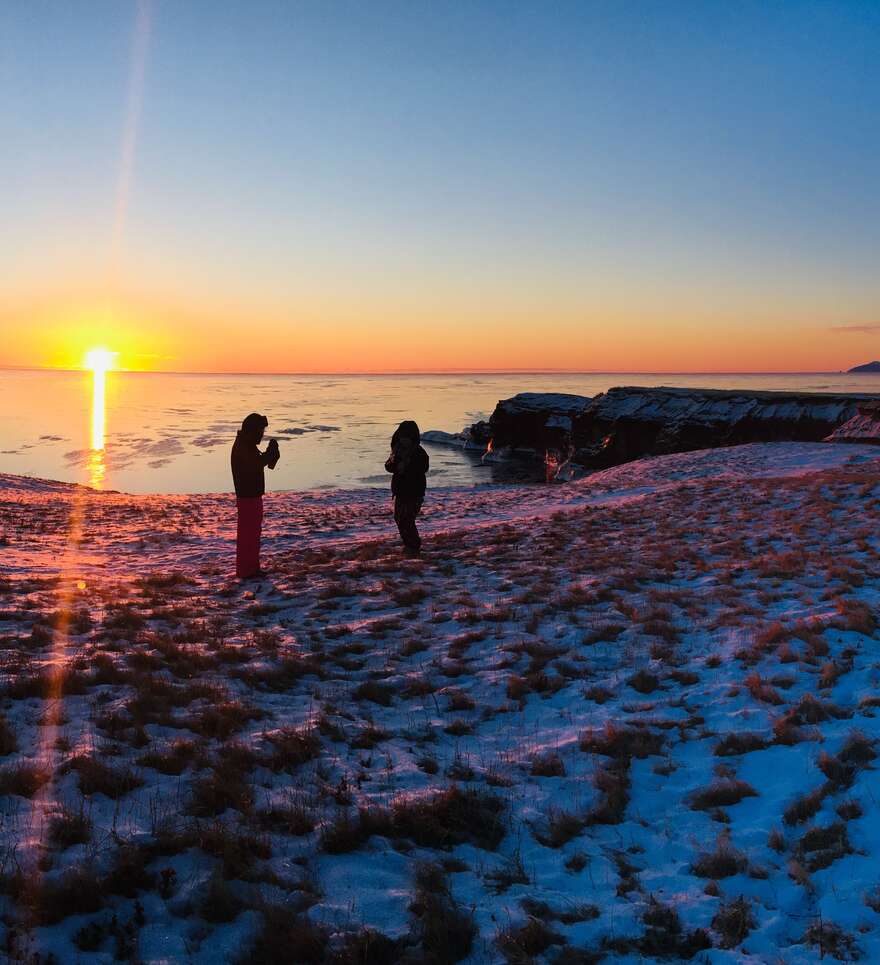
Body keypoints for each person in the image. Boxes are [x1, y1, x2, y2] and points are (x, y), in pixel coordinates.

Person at [231, 413, 279, 578]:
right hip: (247, 497)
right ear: (252, 430)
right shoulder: (244, 446)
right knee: (248, 536)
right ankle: (246, 570)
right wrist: (270, 453)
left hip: (251, 496)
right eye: (260, 430)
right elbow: (256, 463)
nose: (262, 434)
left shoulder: (246, 443)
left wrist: (269, 454)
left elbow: (257, 462)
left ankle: (251, 568)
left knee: (252, 535)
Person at [384, 420, 429, 555]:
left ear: (412, 438)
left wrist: (407, 466)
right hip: (400, 491)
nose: (404, 440)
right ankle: (409, 545)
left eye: (407, 438)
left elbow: (423, 468)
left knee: (407, 520)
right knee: (399, 518)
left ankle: (413, 547)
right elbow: (388, 466)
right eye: (402, 437)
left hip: (414, 492)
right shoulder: (397, 450)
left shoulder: (419, 453)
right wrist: (395, 465)